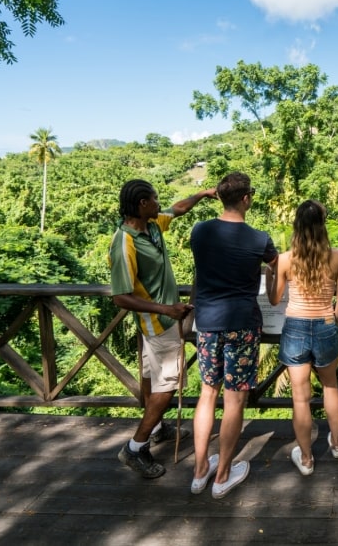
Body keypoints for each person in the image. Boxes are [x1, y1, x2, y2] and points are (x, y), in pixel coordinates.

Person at [109, 179, 217, 479]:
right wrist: (166, 309)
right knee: (167, 385)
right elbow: (120, 296)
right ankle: (134, 447)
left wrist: (203, 194)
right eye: (155, 199)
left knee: (149, 376)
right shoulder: (124, 242)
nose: (160, 203)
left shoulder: (152, 224)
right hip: (158, 323)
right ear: (142, 204)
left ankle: (156, 428)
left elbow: (178, 209)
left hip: (160, 322)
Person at [189, 172, 278, 498]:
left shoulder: (200, 231)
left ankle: (200, 472)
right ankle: (222, 475)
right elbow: (274, 263)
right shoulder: (260, 239)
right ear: (246, 199)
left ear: (219, 197)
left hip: (208, 323)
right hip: (242, 323)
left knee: (207, 394)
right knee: (234, 398)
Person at [265, 199, 338, 476]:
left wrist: (269, 274)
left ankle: (308, 459)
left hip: (296, 327)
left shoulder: (286, 259)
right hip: (325, 323)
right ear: (322, 225)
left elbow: (275, 300)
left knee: (300, 398)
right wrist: (330, 324)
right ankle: (336, 443)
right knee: (331, 386)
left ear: (297, 226)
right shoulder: (337, 256)